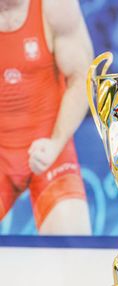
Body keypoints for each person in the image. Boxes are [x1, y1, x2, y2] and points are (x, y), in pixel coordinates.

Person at [0, 0, 92, 234]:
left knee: (73, 244)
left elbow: (82, 77)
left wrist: (56, 143)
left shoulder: (55, 6)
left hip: (50, 149)